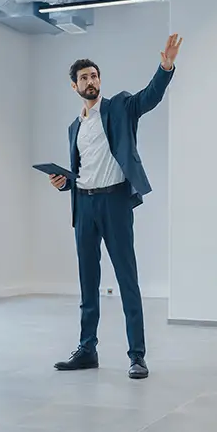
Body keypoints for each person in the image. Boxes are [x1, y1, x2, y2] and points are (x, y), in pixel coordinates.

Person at [49, 34, 183, 379]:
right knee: (87, 281)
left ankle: (137, 355)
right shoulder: (74, 127)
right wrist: (65, 181)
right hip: (85, 206)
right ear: (74, 86)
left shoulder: (120, 107)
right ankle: (86, 349)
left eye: (94, 76)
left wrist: (165, 66)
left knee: (127, 279)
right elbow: (83, 168)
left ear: (99, 81)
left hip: (115, 203)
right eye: (84, 78)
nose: (90, 81)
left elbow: (149, 97)